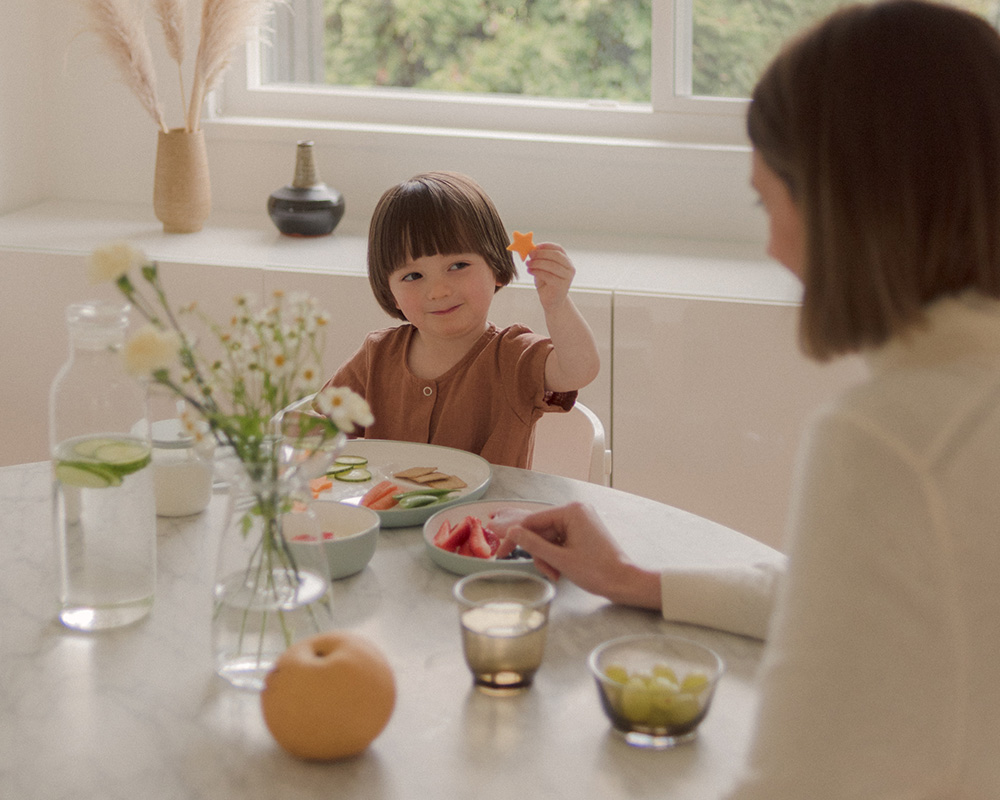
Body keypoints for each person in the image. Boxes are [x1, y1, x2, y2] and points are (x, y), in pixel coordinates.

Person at [495, 1, 1000, 796]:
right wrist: (638, 579)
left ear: (848, 205)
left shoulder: (893, 437)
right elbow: (850, 601)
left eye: (771, 203)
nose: (771, 245)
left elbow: (797, 775)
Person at [319, 171, 600, 468]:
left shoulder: (513, 356)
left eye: (457, 265)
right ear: (390, 292)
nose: (439, 291)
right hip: (386, 513)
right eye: (413, 276)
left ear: (496, 267)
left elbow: (579, 370)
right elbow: (319, 429)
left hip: (487, 515)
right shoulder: (376, 355)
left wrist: (557, 305)